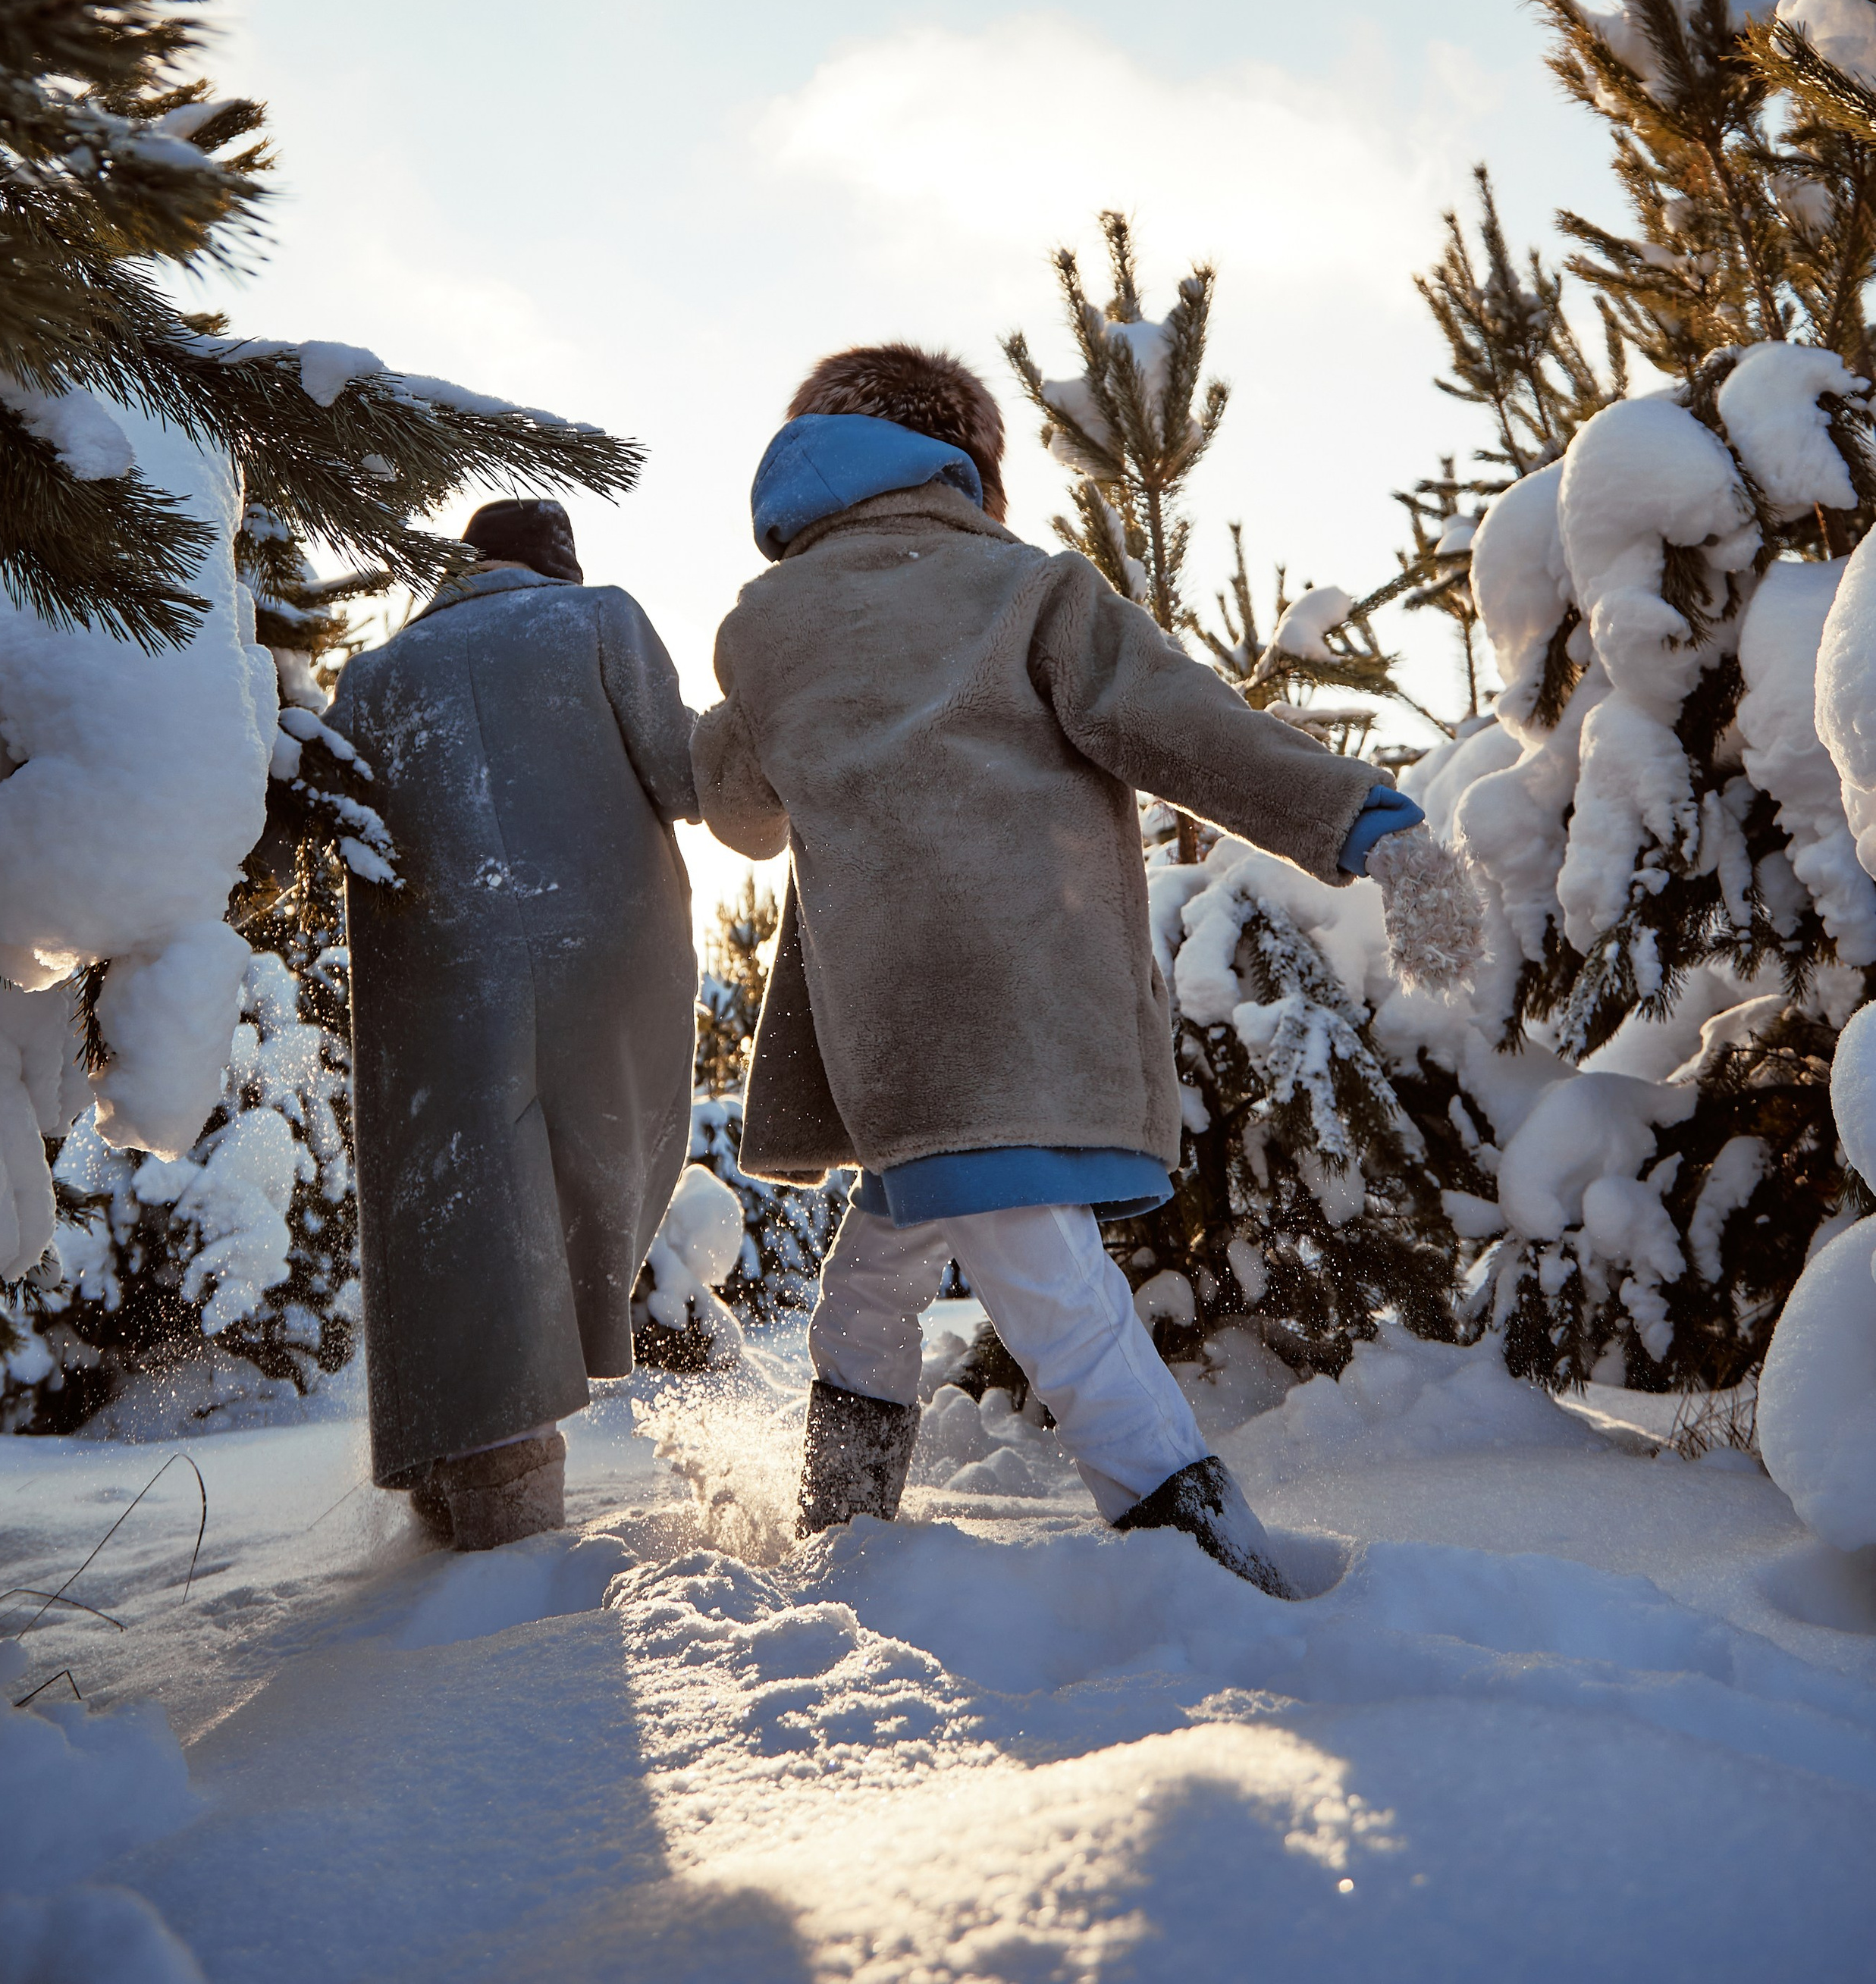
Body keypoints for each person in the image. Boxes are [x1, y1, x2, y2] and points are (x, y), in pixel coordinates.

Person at [692, 345, 1438, 1595]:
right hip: (1017, 1011)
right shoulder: (1026, 588)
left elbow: (741, 812)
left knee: (876, 1269)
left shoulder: (767, 628)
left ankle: (843, 1527)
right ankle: (1213, 1567)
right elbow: (1179, 724)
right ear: (965, 468)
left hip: (893, 1046)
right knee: (1051, 1284)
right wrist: (1355, 817)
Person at [326, 496, 700, 1550]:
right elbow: (683, 776)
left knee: (462, 1209)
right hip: (608, 955)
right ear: (556, 566)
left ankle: (478, 1467)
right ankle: (516, 1526)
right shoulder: (599, 621)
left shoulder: (379, 671)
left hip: (437, 974)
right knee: (602, 1165)